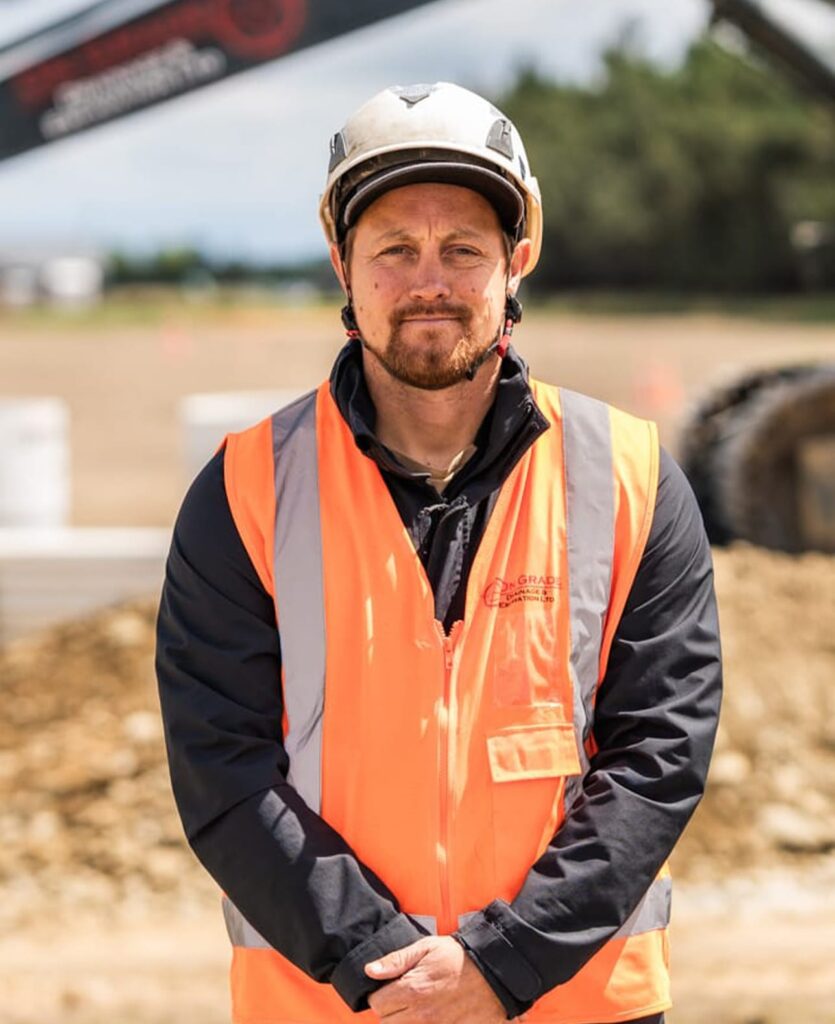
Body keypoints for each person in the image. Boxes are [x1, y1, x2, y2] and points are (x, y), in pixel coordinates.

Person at [156, 82, 722, 1024]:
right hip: (335, 1006)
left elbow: (659, 755)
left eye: (463, 249)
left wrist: (500, 966)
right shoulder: (246, 489)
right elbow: (222, 772)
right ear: (343, 263)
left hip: (576, 1004)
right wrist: (390, 974)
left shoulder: (630, 475)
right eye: (394, 251)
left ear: (517, 259)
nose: (429, 281)